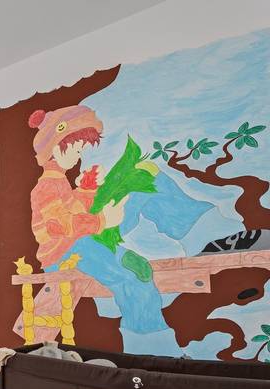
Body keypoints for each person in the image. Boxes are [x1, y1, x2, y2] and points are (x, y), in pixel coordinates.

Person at [28, 105, 180, 353]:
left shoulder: (60, 183)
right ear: (55, 147)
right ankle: (151, 350)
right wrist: (101, 221)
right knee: (131, 277)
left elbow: (75, 211)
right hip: (64, 253)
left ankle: (153, 346)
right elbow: (59, 225)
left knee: (138, 271)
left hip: (81, 246)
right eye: (77, 149)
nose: (78, 156)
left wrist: (87, 189)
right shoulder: (46, 186)